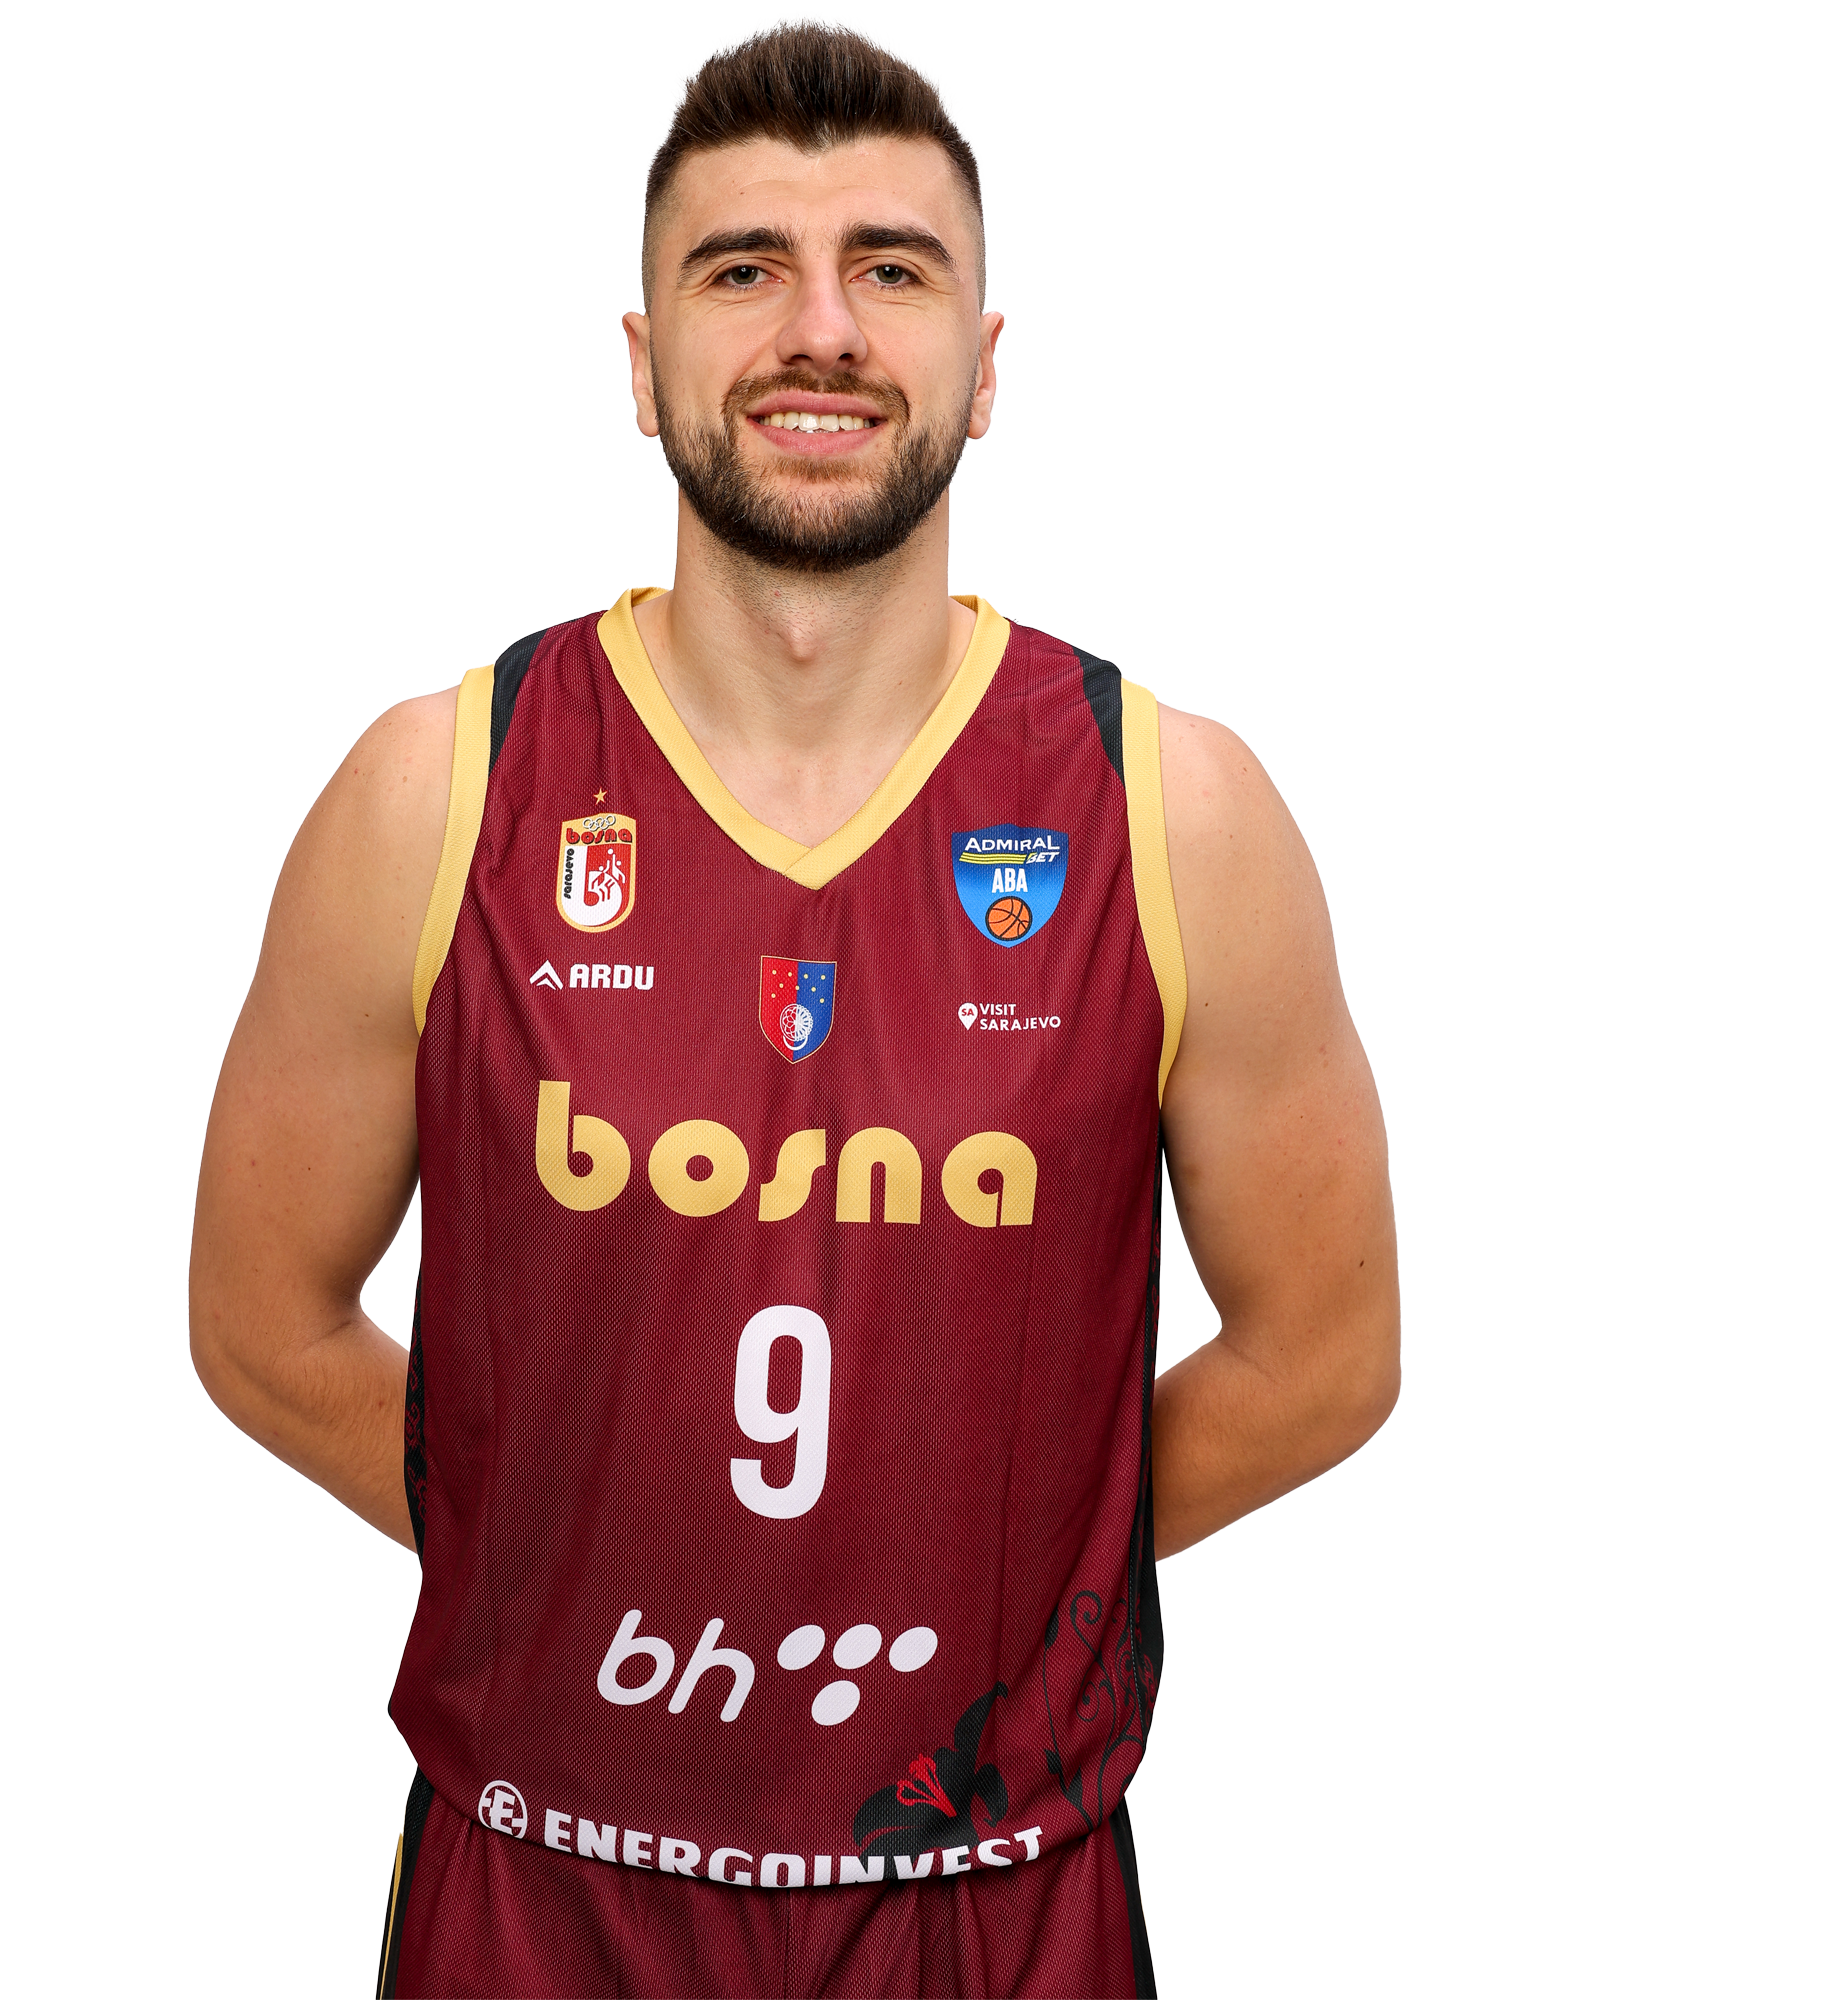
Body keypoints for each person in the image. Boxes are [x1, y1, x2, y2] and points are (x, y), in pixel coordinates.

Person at [190, 21, 1398, 1998]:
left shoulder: (1170, 810)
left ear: (984, 365)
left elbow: (1324, 1353)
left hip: (987, 1892)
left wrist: (1011, 1578)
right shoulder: (442, 789)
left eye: (890, 269)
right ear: (644, 358)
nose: (818, 327)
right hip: (545, 1876)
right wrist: (559, 1540)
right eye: (742, 266)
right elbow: (259, 1318)